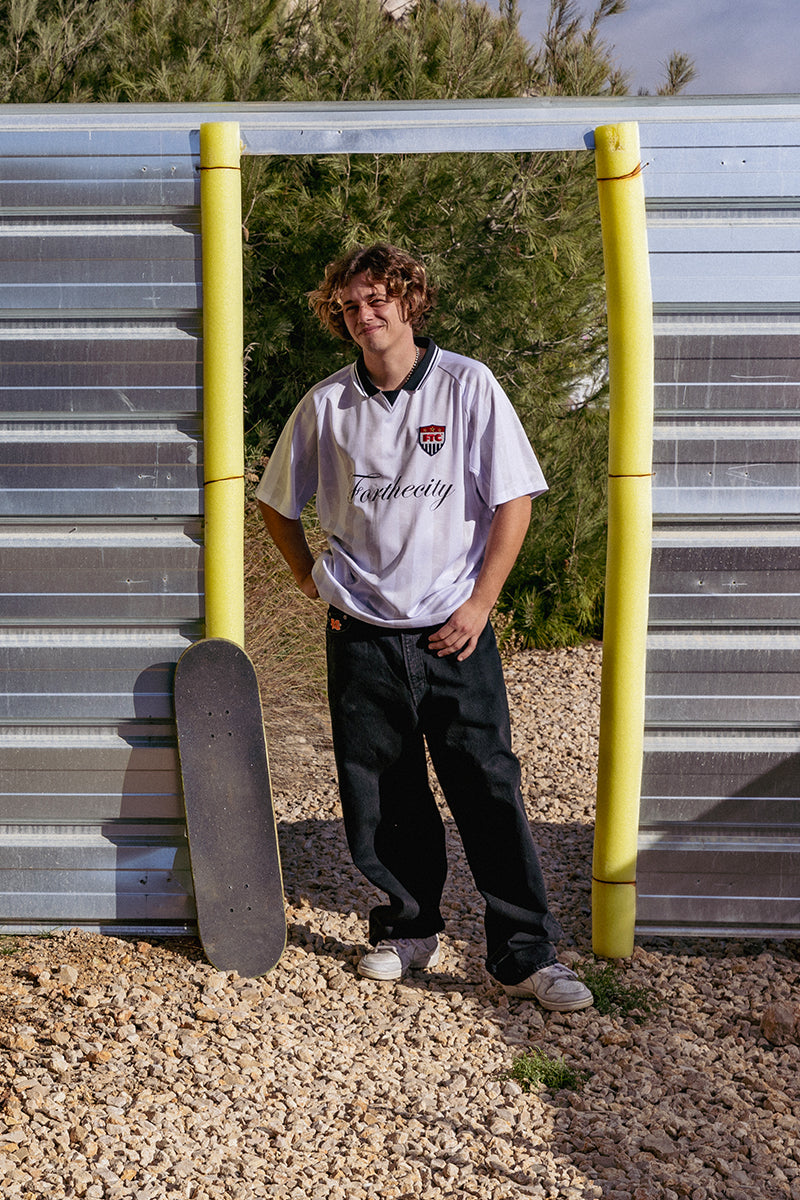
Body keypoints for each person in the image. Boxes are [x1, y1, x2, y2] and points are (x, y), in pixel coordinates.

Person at [256, 243, 592, 1013]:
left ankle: (524, 954)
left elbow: (514, 502)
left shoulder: (468, 385)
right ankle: (409, 930)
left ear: (409, 299)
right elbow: (275, 502)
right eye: (349, 306)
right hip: (361, 632)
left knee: (488, 786)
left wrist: (480, 604)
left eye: (377, 298)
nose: (363, 315)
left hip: (454, 630)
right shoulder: (327, 404)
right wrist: (310, 577)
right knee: (385, 791)